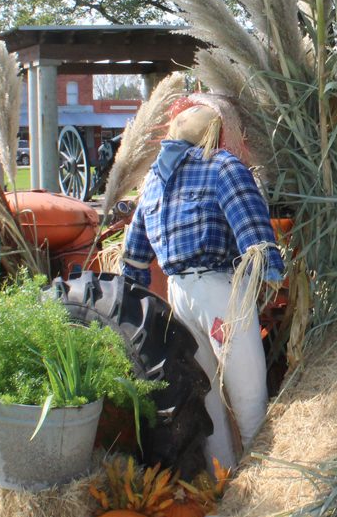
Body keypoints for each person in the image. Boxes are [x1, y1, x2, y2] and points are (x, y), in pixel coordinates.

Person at [121, 97, 284, 470]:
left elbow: (134, 252)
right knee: (247, 390)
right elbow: (251, 227)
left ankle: (220, 480)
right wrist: (271, 269)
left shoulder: (154, 182)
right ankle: (260, 477)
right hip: (219, 292)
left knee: (204, 391)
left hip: (179, 294)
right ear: (217, 132)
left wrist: (133, 283)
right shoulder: (223, 167)